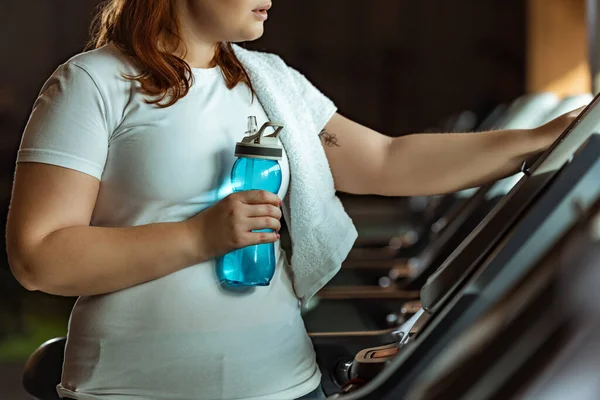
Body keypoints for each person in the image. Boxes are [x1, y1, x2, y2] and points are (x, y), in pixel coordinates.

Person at [5, 0, 582, 399]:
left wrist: (540, 138)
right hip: (131, 388)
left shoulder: (271, 85)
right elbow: (39, 255)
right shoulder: (91, 83)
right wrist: (197, 237)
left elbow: (387, 160)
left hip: (285, 383)